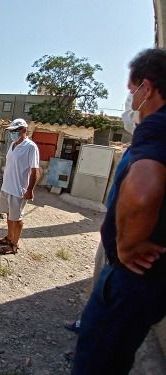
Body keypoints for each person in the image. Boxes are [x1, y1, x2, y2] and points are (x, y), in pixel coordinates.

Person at [72, 48, 166, 375]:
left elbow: (142, 193)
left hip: (132, 278)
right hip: (153, 282)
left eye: (131, 91)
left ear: (147, 88)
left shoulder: (157, 128)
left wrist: (125, 247)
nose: (130, 99)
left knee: (97, 361)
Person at [65, 95, 137, 335]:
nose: (130, 101)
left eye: (136, 93)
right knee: (101, 284)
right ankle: (90, 326)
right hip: (112, 238)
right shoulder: (136, 148)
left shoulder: (150, 153)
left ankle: (96, 335)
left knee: (111, 291)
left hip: (123, 244)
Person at [0, 118, 39, 254]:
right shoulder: (12, 144)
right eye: (11, 131)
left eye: (15, 131)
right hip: (6, 187)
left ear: (24, 130)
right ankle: (9, 237)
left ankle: (14, 245)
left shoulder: (30, 147)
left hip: (19, 190)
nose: (12, 133)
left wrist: (30, 190)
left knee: (17, 218)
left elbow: (35, 170)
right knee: (9, 215)